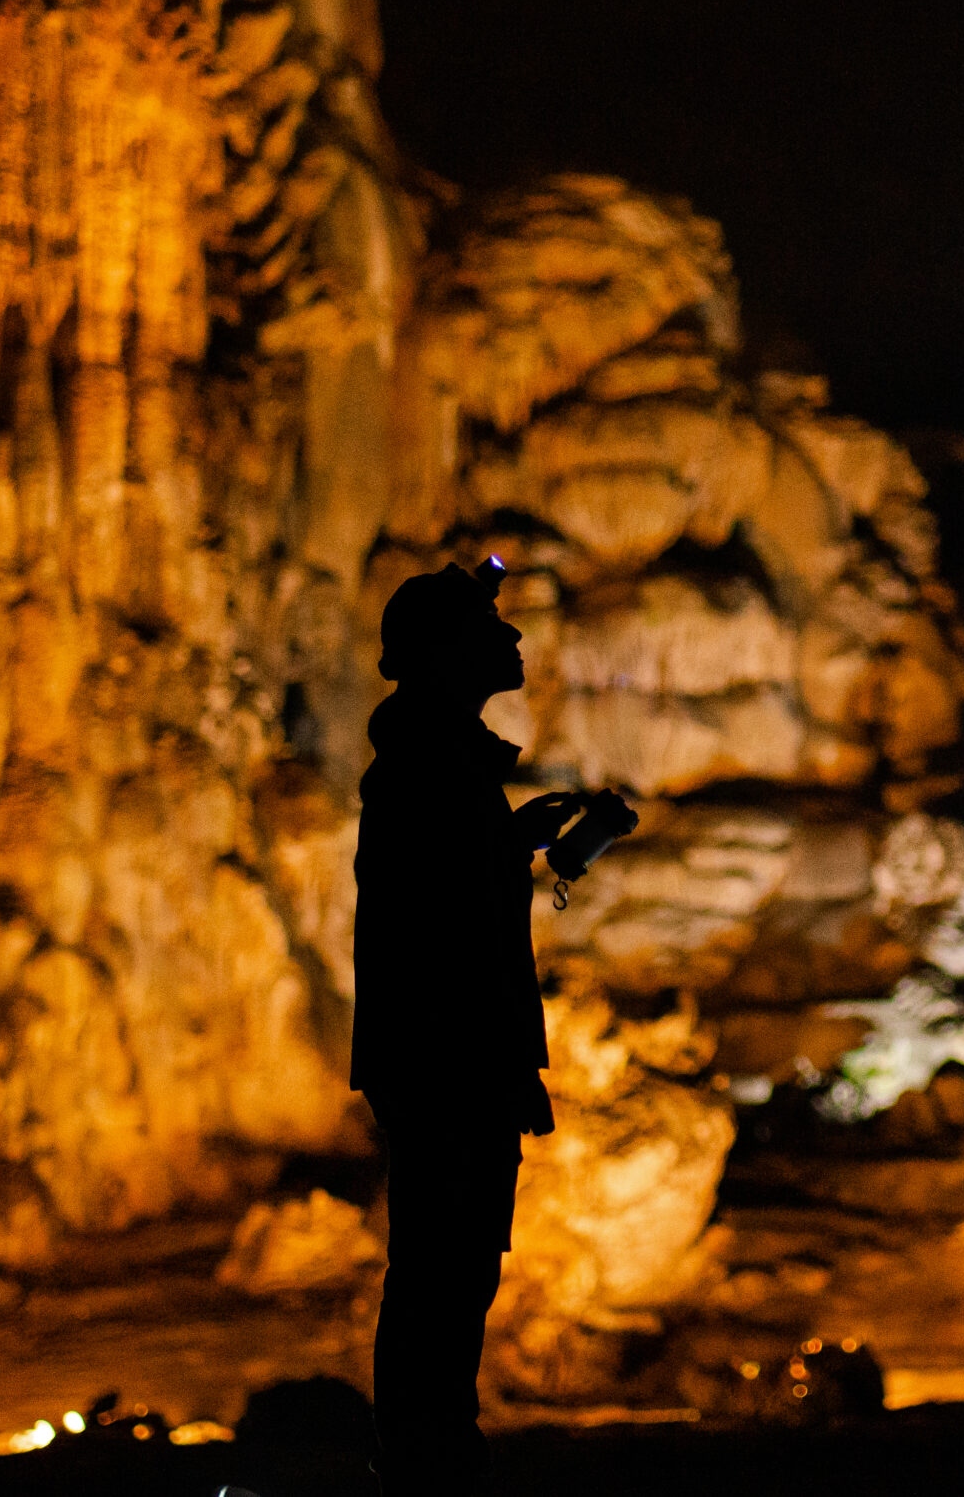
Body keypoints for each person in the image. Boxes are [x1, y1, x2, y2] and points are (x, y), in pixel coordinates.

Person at [351, 559, 582, 1497]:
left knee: (450, 1264)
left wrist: (516, 841)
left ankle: (429, 1446)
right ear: (447, 651)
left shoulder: (436, 761)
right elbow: (438, 925)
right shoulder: (425, 766)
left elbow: (443, 889)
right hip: (448, 1058)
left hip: (446, 1054)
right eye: (494, 629)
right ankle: (427, 1457)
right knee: (444, 1268)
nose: (515, 641)